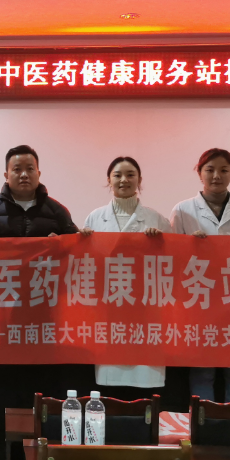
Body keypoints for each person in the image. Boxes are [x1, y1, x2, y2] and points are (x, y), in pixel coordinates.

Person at [0, 144, 78, 460]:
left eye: (30, 168)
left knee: (43, 383)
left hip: (45, 314)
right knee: (4, 382)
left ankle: (42, 447)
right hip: (2, 314)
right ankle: (7, 449)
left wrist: (64, 246)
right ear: (6, 174)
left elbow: (79, 252)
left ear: (39, 172)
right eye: (17, 169)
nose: (24, 174)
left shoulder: (57, 211)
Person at [170, 148, 230, 403]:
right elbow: (171, 256)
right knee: (202, 370)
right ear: (199, 173)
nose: (216, 176)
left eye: (224, 170)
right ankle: (203, 421)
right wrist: (189, 245)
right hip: (200, 299)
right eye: (210, 170)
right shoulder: (182, 210)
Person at [80, 156, 170, 401]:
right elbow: (87, 264)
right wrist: (83, 241)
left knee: (145, 379)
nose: (124, 180)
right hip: (109, 305)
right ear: (109, 180)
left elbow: (173, 261)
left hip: (145, 305)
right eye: (117, 175)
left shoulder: (156, 219)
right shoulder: (95, 218)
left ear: (139, 180)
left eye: (130, 175)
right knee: (110, 380)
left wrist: (160, 242)